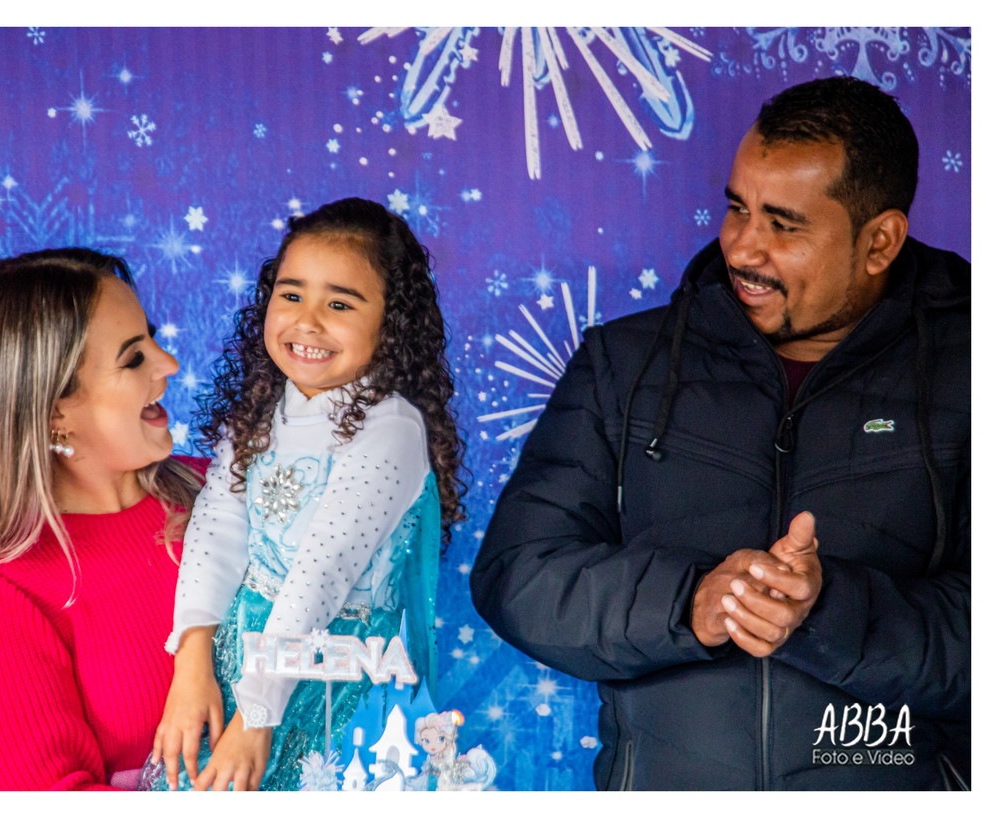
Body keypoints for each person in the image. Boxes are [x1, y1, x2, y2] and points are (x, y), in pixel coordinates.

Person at [471, 77, 969, 790]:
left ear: (879, 242)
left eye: (784, 225)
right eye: (738, 209)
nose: (742, 248)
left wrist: (826, 611)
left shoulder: (971, 374)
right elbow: (519, 575)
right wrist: (692, 603)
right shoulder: (625, 364)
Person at [143, 197, 465, 792]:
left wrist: (258, 712)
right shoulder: (260, 411)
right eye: (291, 295)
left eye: (339, 304)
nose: (308, 321)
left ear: (391, 322)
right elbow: (216, 527)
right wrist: (192, 657)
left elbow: (323, 571)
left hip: (326, 672)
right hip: (241, 650)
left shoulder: (391, 429)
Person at [0, 248, 207, 790]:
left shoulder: (229, 490)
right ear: (53, 412)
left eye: (152, 338)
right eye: (133, 358)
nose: (169, 364)